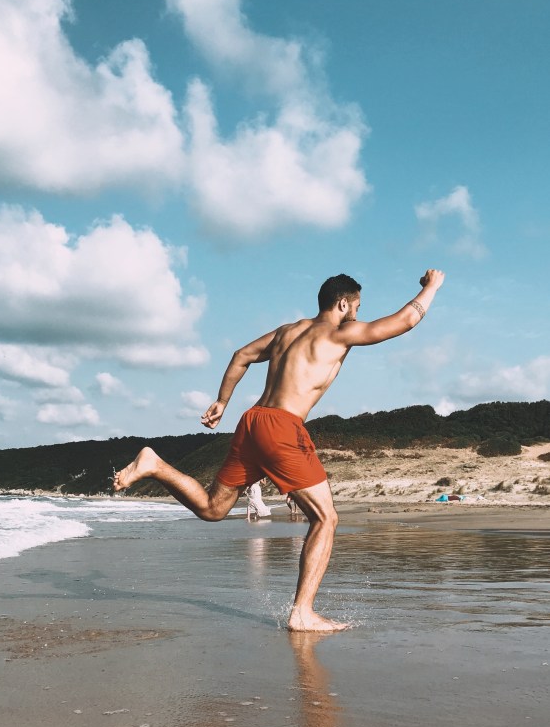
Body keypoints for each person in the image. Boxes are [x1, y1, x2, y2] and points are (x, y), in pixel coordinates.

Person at [113, 269, 445, 632]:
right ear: (342, 303)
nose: (357, 314)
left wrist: (222, 401)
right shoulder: (338, 333)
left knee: (213, 508)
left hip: (252, 421)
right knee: (326, 518)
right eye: (357, 307)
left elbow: (241, 355)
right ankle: (302, 613)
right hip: (283, 427)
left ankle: (155, 464)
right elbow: (405, 320)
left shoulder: (287, 331)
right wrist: (431, 287)